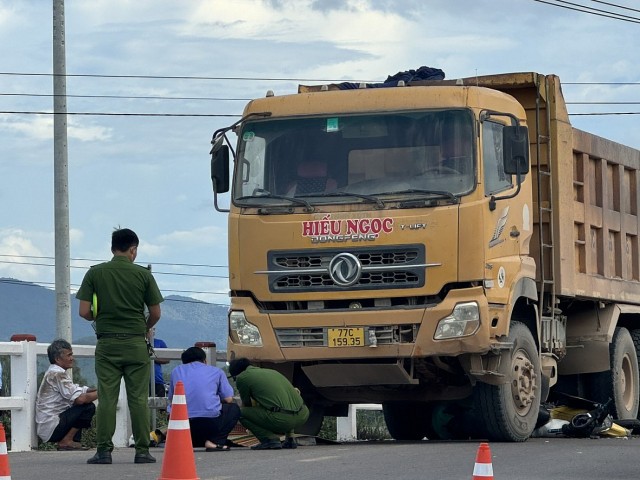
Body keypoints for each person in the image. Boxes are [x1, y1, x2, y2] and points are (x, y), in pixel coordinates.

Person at [76, 228, 164, 465]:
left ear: (112, 247)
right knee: (138, 399)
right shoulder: (143, 275)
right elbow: (156, 312)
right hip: (136, 344)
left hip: (107, 345)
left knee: (106, 398)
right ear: (133, 249)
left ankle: (104, 451)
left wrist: (99, 315)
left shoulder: (95, 273)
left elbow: (84, 311)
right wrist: (145, 327)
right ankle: (143, 451)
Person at [168, 346, 240, 451]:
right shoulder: (217, 371)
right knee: (233, 409)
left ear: (184, 361)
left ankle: (181, 442)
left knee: (173, 409)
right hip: (210, 424)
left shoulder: (176, 371)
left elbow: (172, 398)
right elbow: (229, 399)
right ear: (204, 360)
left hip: (183, 426)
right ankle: (214, 442)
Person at [228, 357, 309, 450]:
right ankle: (290, 438)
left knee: (239, 412)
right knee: (283, 405)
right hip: (303, 415)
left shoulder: (242, 378)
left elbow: (247, 404)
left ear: (236, 374)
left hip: (282, 420)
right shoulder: (273, 372)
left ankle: (269, 439)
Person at [35, 339, 97, 451]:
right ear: (58, 359)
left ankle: (69, 441)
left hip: (49, 427)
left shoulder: (55, 373)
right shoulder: (57, 374)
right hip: (52, 427)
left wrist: (98, 389)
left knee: (81, 405)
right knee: (87, 407)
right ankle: (66, 441)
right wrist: (106, 391)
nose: (72, 358)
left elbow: (78, 390)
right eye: (69, 355)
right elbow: (80, 399)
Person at [149, 327, 169, 397]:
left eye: (154, 329)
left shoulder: (160, 343)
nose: (153, 331)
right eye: (151, 329)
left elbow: (167, 359)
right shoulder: (139, 343)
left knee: (161, 404)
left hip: (158, 380)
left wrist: (153, 359)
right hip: (143, 381)